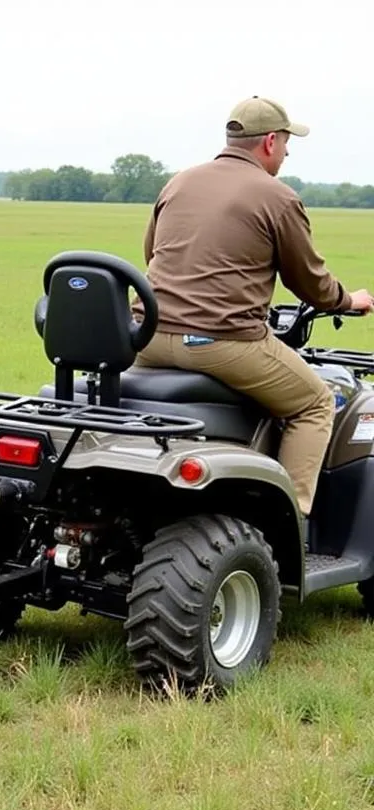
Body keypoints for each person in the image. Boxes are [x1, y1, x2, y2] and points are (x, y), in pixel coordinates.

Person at [132, 95, 374, 522]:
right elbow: (310, 282)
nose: (287, 152)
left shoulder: (179, 182)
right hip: (221, 341)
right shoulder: (277, 196)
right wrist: (348, 300)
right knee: (315, 402)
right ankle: (289, 521)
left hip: (146, 337)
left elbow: (152, 253)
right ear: (269, 143)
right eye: (285, 142)